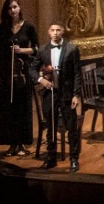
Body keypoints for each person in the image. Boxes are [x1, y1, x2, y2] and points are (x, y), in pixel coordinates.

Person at [34, 21, 82, 171]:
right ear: (49, 32)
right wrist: (41, 79)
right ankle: (51, 158)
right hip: (50, 94)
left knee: (72, 128)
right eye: (52, 30)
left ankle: (74, 159)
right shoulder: (42, 50)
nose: (55, 33)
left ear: (62, 32)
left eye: (58, 30)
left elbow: (77, 73)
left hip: (67, 94)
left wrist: (76, 94)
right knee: (51, 127)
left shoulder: (72, 49)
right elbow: (32, 69)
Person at [0, 0, 38, 158]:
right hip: (6, 73)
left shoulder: (29, 27)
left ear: (19, 8)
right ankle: (11, 144)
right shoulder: (1, 29)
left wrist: (21, 51)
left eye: (14, 7)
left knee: (22, 108)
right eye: (9, 8)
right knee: (8, 110)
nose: (12, 11)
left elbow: (36, 48)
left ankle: (21, 143)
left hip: (23, 74)